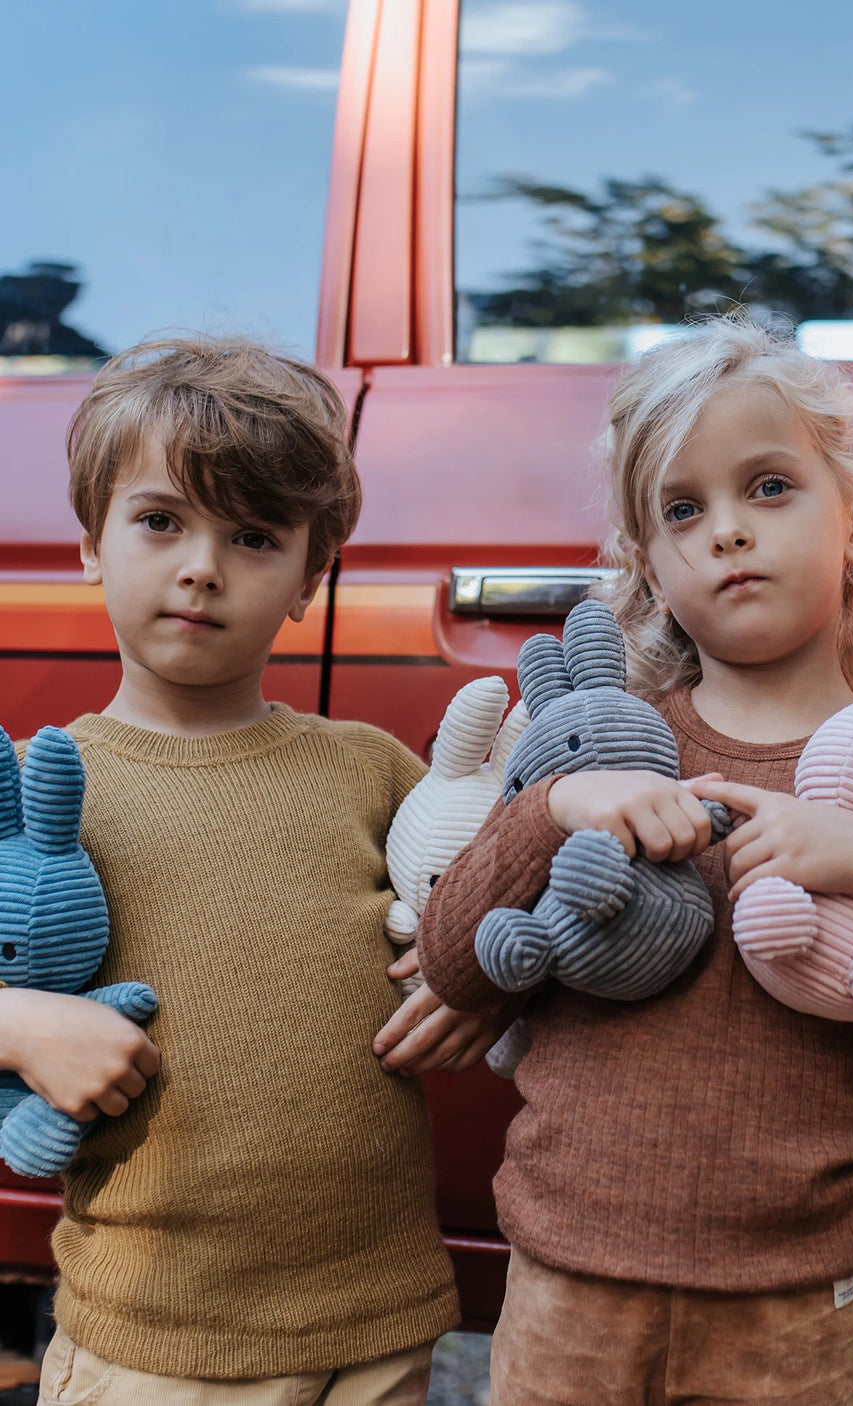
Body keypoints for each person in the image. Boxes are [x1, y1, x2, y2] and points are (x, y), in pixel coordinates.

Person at [399, 314, 853, 1404]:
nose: (726, 533)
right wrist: (555, 805)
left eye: (767, 487)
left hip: (790, 1309)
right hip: (568, 1284)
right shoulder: (594, 741)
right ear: (647, 568)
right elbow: (454, 962)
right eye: (682, 509)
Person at [0, 335, 487, 1405]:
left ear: (310, 577)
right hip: (153, 1344)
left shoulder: (371, 772)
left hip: (378, 1319)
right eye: (160, 518)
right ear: (91, 540)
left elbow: (487, 908)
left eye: (254, 534)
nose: (201, 565)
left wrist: (474, 982)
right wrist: (19, 1021)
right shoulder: (39, 793)